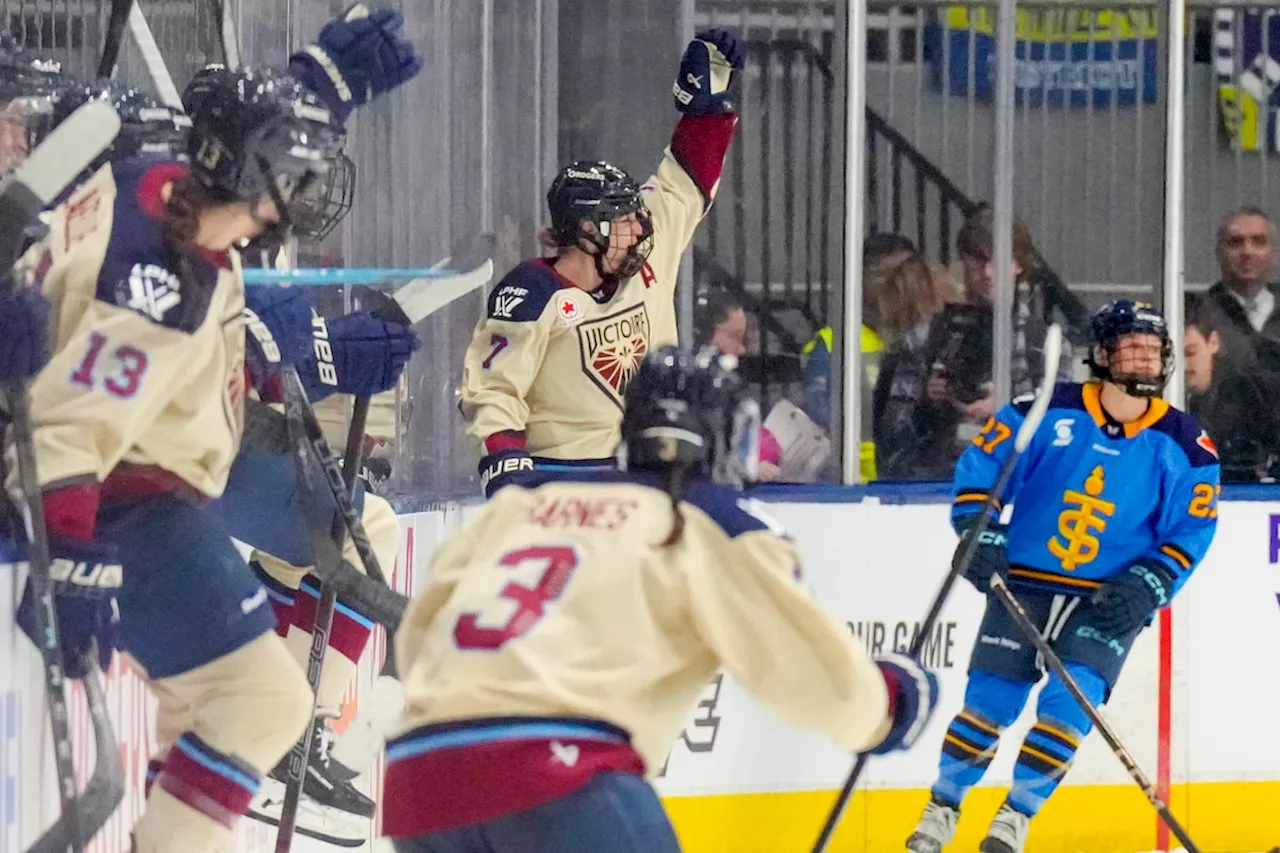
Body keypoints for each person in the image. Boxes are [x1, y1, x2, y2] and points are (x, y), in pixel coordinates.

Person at [381, 345, 939, 852]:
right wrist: (886, 705)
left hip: (421, 778)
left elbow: (418, 642)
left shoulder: (523, 505)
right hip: (559, 772)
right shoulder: (708, 519)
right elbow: (799, 662)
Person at [7, 65, 346, 853]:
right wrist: (67, 546)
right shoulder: (162, 265)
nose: (300, 195)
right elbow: (72, 418)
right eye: (289, 173)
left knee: (209, 703)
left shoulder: (162, 199)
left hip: (145, 489)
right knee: (262, 698)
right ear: (242, 169)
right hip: (125, 501)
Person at [906, 300, 1220, 853]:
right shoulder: (1045, 412)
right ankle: (943, 806)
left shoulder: (1186, 445)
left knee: (1067, 709)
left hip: (1107, 600)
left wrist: (1149, 584)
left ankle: (1015, 817)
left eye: (1154, 352)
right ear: (1102, 355)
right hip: (1022, 585)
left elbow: (1190, 530)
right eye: (1132, 349)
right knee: (989, 703)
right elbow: (981, 474)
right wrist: (980, 531)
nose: (1146, 362)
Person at [459, 29, 744, 497]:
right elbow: (492, 389)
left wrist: (705, 104)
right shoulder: (531, 292)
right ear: (589, 229)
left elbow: (683, 182)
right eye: (624, 219)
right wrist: (506, 461)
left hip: (649, 473)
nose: (640, 228)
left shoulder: (645, 258)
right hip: (563, 483)